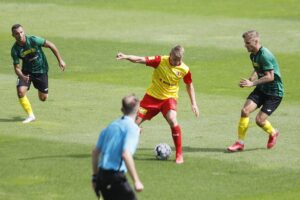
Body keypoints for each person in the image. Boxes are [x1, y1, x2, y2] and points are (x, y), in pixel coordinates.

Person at [116, 45, 199, 164]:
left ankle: (179, 154)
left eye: (179, 60)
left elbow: (189, 85)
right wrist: (126, 56)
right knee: (134, 124)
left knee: (172, 119)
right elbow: (140, 59)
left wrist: (194, 103)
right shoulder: (160, 61)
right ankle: (128, 144)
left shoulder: (184, 69)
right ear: (170, 55)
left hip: (168, 99)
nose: (177, 62)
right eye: (174, 60)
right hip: (151, 98)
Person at [227, 30, 284, 152]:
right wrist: (251, 78)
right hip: (261, 89)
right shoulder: (253, 54)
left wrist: (252, 84)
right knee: (245, 111)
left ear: (256, 41)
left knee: (259, 121)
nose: (245, 45)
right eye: (245, 42)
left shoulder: (265, 55)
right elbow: (258, 67)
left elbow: (270, 77)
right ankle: (240, 143)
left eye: (247, 43)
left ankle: (273, 133)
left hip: (274, 93)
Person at [91, 94, 144, 200]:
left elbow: (95, 152)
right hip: (115, 178)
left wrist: (95, 177)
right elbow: (126, 154)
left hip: (102, 176)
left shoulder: (111, 125)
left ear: (122, 110)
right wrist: (136, 181)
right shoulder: (132, 128)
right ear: (138, 109)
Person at [11, 24, 66, 123]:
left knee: (43, 98)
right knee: (20, 92)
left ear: (24, 32)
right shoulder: (15, 50)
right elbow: (16, 68)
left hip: (41, 71)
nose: (20, 35)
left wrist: (60, 60)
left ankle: (40, 89)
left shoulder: (33, 40)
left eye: (21, 32)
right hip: (26, 72)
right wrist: (22, 76)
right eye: (17, 33)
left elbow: (51, 45)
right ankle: (31, 115)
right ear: (13, 35)